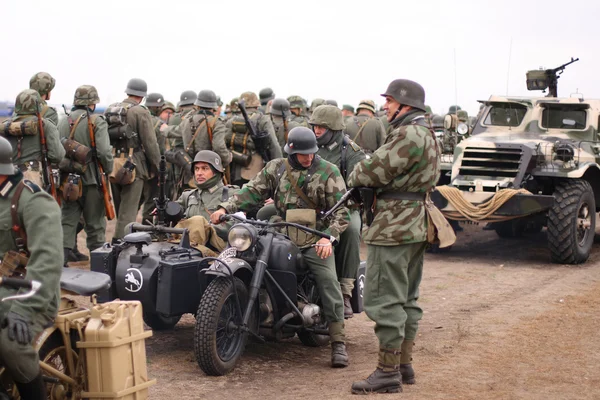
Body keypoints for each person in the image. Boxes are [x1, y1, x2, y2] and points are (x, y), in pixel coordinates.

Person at [211, 126, 350, 368]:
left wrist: (329, 237)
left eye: (312, 153)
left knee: (328, 280)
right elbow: (252, 191)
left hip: (313, 236)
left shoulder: (329, 171)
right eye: (303, 154)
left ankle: (338, 343)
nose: (308, 157)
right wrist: (225, 208)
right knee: (248, 257)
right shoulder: (276, 168)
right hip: (281, 232)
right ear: (291, 153)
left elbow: (341, 211)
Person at [348, 79, 440, 394]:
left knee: (383, 298)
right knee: (407, 298)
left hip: (394, 226)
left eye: (388, 101)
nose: (384, 107)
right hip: (415, 223)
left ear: (404, 104)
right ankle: (404, 364)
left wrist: (357, 171)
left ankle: (388, 372)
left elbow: (369, 172)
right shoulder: (426, 132)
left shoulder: (408, 133)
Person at [0, 135, 63, 399]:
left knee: (11, 343)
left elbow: (48, 261)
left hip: (31, 292)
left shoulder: (33, 201)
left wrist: (25, 310)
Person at [309, 105, 365, 319]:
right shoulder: (308, 145)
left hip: (342, 207)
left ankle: (344, 292)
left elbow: (358, 184)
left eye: (321, 127)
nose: (316, 131)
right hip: (308, 204)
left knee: (351, 230)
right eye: (314, 126)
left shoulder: (350, 151)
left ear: (333, 128)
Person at [59, 85, 113, 263]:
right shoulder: (97, 121)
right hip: (92, 182)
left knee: (67, 222)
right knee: (95, 225)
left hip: (68, 182)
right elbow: (105, 152)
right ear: (92, 103)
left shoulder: (62, 121)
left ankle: (61, 265)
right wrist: (108, 169)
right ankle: (99, 268)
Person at [107, 78, 161, 241]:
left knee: (121, 208)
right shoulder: (140, 111)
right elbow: (150, 143)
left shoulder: (111, 108)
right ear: (142, 96)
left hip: (114, 163)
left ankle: (118, 238)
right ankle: (120, 243)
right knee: (128, 211)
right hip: (133, 165)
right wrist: (158, 167)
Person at [2, 89, 65, 188]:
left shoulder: (6, 126)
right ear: (38, 106)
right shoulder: (46, 125)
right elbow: (57, 155)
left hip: (8, 178)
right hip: (34, 182)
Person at [176, 150, 237, 242]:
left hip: (217, 249)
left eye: (205, 168)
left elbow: (236, 227)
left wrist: (206, 229)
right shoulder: (188, 196)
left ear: (216, 172)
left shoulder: (232, 194)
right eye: (197, 169)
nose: (199, 173)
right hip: (188, 246)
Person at [225, 91, 281, 187]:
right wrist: (279, 169)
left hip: (235, 170)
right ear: (257, 105)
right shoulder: (263, 119)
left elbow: (224, 144)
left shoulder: (231, 120)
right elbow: (274, 145)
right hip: (257, 170)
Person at [179, 89, 232, 171]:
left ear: (197, 105)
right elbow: (219, 147)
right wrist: (227, 158)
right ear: (214, 106)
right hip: (209, 170)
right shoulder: (216, 122)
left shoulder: (186, 121)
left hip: (189, 169)